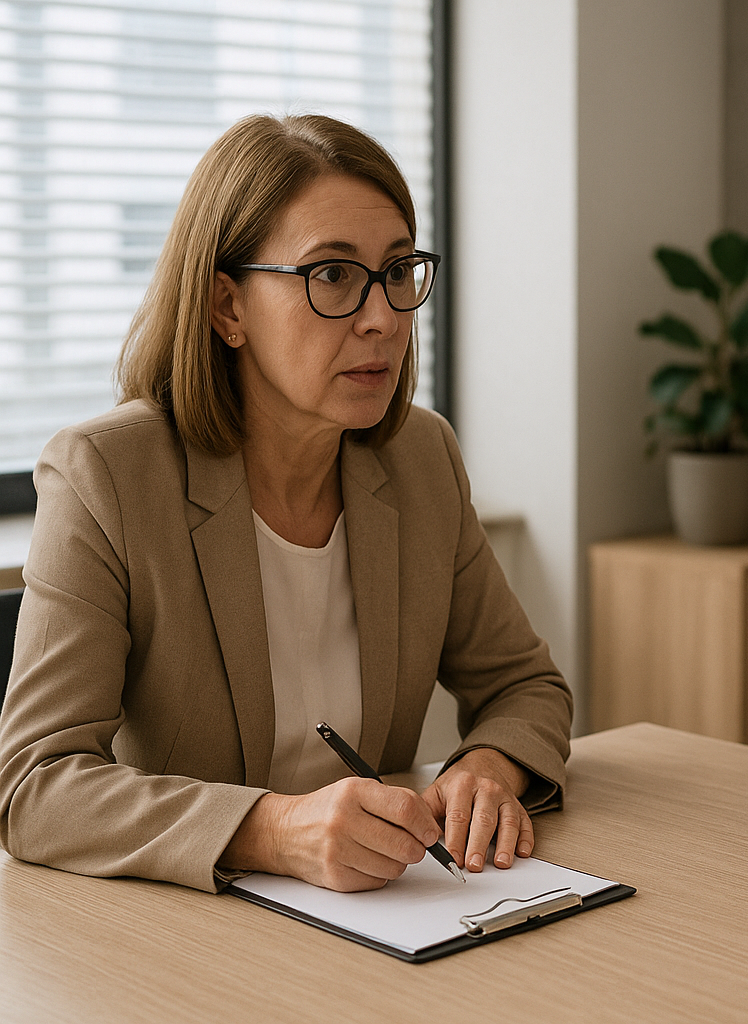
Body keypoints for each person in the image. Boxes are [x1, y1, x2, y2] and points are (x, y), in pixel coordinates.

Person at [0, 114, 573, 894]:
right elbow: (36, 786)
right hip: (179, 940)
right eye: (332, 274)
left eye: (398, 269)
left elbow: (524, 685)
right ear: (227, 308)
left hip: (386, 914)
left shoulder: (421, 459)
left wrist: (487, 765)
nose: (382, 316)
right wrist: (271, 829)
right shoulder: (107, 476)